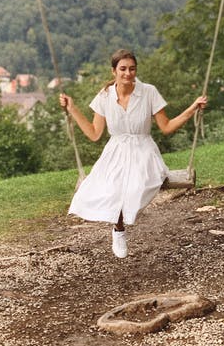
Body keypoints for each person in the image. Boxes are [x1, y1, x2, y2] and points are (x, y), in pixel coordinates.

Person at [59, 49, 208, 258]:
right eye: (123, 69)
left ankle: (121, 223)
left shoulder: (148, 92)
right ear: (114, 71)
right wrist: (72, 108)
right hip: (116, 150)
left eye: (132, 69)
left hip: (143, 150)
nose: (128, 73)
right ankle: (118, 230)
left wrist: (193, 109)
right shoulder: (104, 96)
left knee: (136, 186)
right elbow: (94, 134)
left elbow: (166, 127)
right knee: (110, 188)